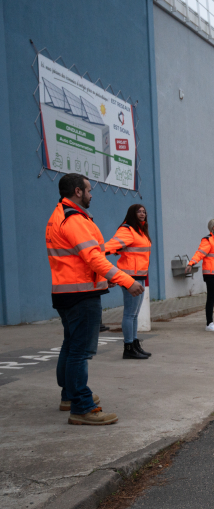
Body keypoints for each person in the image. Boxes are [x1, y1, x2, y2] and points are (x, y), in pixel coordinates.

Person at [46, 173, 144, 425]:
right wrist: (125, 280)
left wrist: (104, 280)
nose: (91, 194)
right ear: (78, 191)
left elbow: (78, 260)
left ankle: (69, 395)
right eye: (89, 190)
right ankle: (81, 406)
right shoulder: (74, 219)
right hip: (81, 296)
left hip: (66, 292)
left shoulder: (59, 214)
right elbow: (93, 258)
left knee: (70, 346)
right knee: (80, 352)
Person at [104, 204, 152, 359]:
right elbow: (109, 247)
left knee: (135, 314)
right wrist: (98, 255)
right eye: (139, 211)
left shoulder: (140, 231)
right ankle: (128, 347)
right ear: (132, 213)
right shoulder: (127, 230)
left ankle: (134, 344)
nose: (142, 213)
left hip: (140, 276)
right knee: (130, 314)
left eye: (144, 211)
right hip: (130, 277)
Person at [186, 219, 214, 332]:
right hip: (211, 274)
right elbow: (200, 253)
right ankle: (209, 323)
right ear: (213, 228)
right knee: (211, 298)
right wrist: (191, 263)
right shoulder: (208, 240)